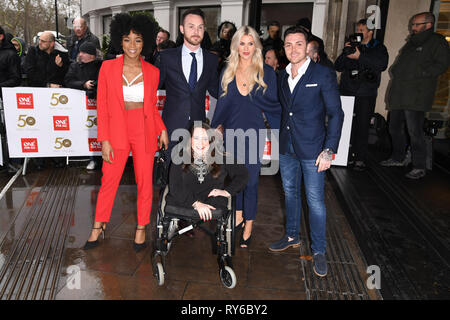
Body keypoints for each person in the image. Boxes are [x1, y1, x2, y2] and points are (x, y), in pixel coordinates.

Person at [83, 13, 169, 252]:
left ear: (146, 42)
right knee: (108, 180)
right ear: (120, 41)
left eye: (138, 40)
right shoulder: (107, 68)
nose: (133, 45)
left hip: (144, 130)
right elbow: (102, 106)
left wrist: (161, 128)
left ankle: (141, 227)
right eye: (128, 40)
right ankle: (98, 226)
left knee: (144, 182)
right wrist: (105, 139)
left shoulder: (152, 71)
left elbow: (151, 106)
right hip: (117, 130)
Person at [268, 26, 344, 278]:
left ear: (307, 46)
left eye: (298, 44)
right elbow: (281, 109)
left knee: (315, 202)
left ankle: (319, 250)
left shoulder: (323, 74)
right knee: (290, 193)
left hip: (314, 149)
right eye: (288, 45)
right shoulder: (281, 75)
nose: (293, 49)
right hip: (287, 146)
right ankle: (292, 235)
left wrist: (329, 150)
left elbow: (336, 114)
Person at [211, 25, 281, 249]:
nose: (246, 48)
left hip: (254, 133)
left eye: (251, 43)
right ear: (236, 45)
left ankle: (249, 222)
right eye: (242, 43)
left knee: (250, 181)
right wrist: (216, 128)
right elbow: (222, 105)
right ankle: (238, 215)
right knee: (234, 179)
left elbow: (274, 105)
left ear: (256, 46)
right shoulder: (228, 70)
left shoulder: (266, 72)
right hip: (231, 132)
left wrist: (284, 134)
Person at [380, 12, 450, 179]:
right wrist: (395, 70)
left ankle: (419, 166)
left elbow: (442, 64)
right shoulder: (411, 43)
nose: (413, 27)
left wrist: (421, 72)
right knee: (394, 128)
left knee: (414, 132)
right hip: (399, 94)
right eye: (412, 24)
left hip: (417, 96)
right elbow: (401, 64)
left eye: (417, 24)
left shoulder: (437, 42)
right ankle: (398, 158)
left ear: (428, 25)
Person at [158, 8, 219, 155]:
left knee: (193, 175)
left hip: (198, 130)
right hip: (171, 127)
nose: (196, 31)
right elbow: (151, 89)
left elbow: (217, 91)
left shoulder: (211, 59)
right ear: (182, 29)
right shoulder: (167, 57)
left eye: (200, 27)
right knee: (168, 173)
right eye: (191, 26)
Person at [335, 19, 389, 170]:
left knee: (362, 126)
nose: (358, 32)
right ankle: (343, 155)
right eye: (357, 29)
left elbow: (382, 65)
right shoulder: (352, 46)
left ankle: (359, 158)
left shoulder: (378, 48)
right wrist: (346, 52)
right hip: (347, 91)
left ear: (370, 32)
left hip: (366, 93)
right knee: (344, 125)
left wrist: (360, 57)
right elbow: (338, 66)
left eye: (362, 29)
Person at [166, 122, 249, 221]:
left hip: (211, 202)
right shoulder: (179, 158)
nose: (200, 143)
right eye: (196, 138)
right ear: (190, 140)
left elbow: (243, 174)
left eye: (205, 139)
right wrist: (196, 204)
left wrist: (227, 192)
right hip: (183, 201)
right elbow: (175, 186)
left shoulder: (221, 158)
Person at [64, 41, 103, 170]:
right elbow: (68, 81)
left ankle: (102, 158)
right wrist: (83, 84)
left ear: (91, 55)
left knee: (100, 133)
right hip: (80, 108)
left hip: (100, 104)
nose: (80, 54)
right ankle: (92, 159)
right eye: (80, 52)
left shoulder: (101, 65)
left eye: (83, 52)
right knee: (86, 133)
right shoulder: (75, 66)